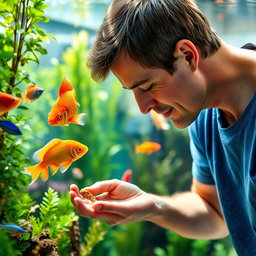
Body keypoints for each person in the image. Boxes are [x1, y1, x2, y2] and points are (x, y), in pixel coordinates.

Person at [69, 0, 256, 255]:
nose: (143, 108)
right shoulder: (203, 114)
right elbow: (215, 212)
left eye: (147, 87)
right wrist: (151, 207)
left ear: (187, 55)